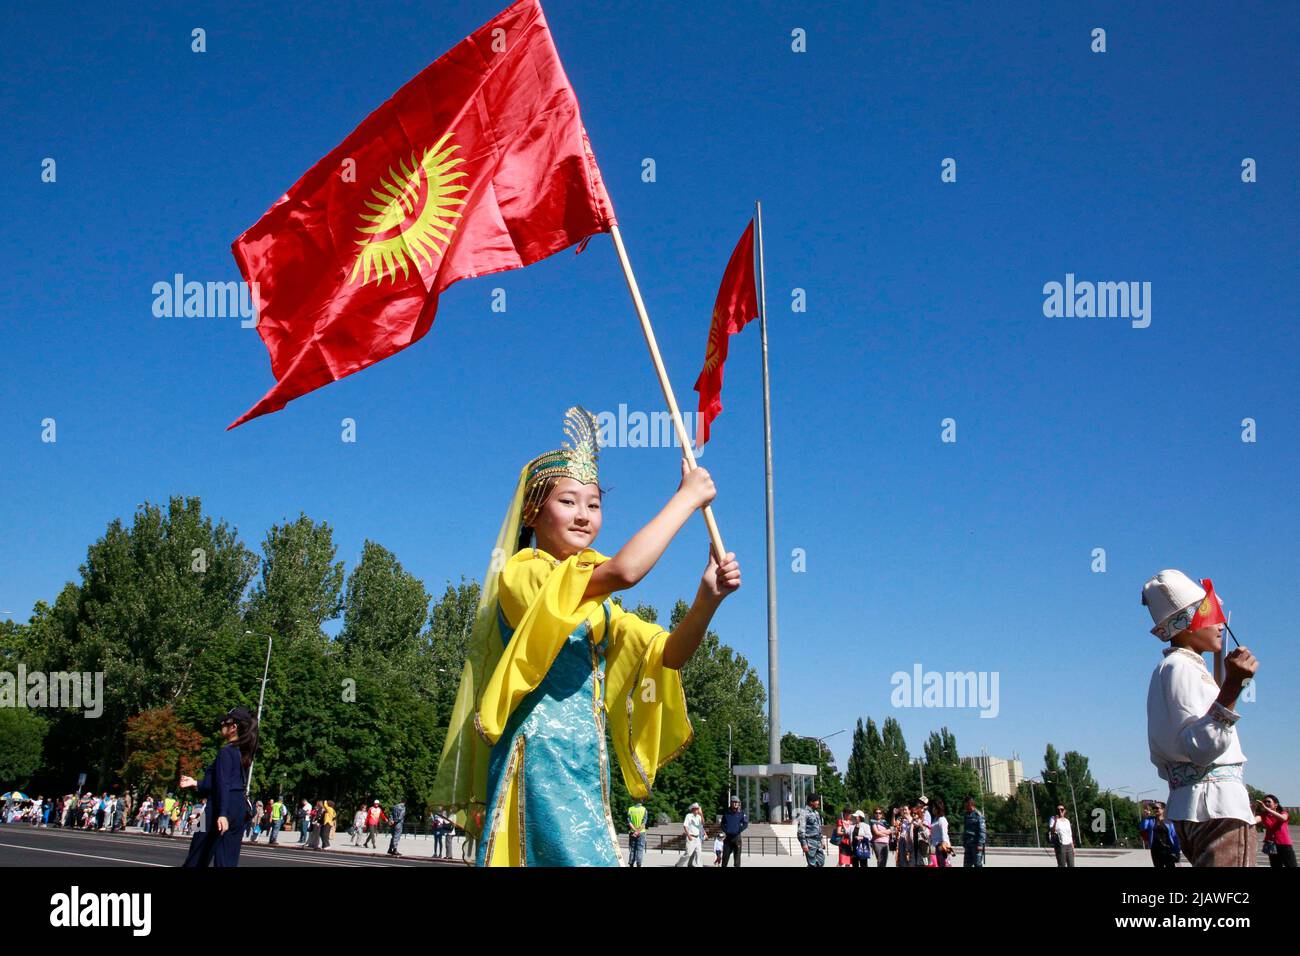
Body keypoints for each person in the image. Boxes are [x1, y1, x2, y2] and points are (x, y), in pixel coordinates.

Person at [431, 407, 741, 866]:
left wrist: (706, 601)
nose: (584, 515)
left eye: (593, 505)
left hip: (585, 764)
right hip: (536, 755)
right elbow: (626, 570)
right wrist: (685, 500)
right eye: (568, 502)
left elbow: (669, 654)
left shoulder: (600, 608)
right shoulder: (523, 574)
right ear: (533, 515)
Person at [1143, 570, 1259, 867]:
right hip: (1218, 808)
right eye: (1212, 615)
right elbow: (1201, 747)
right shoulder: (1182, 668)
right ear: (1188, 625)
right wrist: (1232, 686)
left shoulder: (1172, 668)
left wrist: (1229, 679)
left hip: (1195, 806)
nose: (1220, 625)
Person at [179, 706, 258, 867]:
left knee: (196, 854)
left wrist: (222, 813)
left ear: (234, 727)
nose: (222, 723)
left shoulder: (225, 751)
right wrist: (195, 782)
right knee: (227, 860)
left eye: (225, 721)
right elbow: (221, 781)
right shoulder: (242, 753)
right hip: (238, 807)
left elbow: (223, 784)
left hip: (217, 806)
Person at [1255, 795, 1294, 868]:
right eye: (1265, 802)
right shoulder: (1264, 815)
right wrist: (1252, 809)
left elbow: (1283, 818)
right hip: (1271, 845)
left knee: (1291, 865)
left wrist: (1266, 809)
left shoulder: (1283, 813)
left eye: (1268, 801)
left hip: (1284, 844)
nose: (1266, 803)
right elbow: (1253, 820)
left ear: (1276, 804)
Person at [1140, 801, 1181, 868]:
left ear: (1163, 809)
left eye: (1157, 808)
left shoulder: (1169, 821)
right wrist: (1145, 817)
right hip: (1155, 850)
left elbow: (1175, 837)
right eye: (1153, 808)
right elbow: (1143, 827)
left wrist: (1177, 851)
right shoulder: (1151, 820)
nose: (1155, 809)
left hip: (1168, 850)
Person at [797, 793, 824, 867]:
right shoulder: (804, 813)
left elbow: (819, 828)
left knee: (821, 862)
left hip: (817, 841)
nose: (818, 803)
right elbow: (801, 830)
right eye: (817, 801)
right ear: (811, 802)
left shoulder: (816, 813)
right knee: (812, 864)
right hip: (810, 841)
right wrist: (804, 844)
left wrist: (822, 841)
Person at [720, 797, 747, 868]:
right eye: (734, 802)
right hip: (728, 838)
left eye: (737, 802)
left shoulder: (741, 813)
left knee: (737, 858)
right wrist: (726, 830)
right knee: (725, 857)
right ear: (731, 803)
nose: (736, 803)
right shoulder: (726, 813)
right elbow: (722, 823)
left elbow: (745, 824)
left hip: (737, 838)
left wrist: (739, 830)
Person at [676, 802, 705, 867]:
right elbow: (685, 826)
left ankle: (699, 866)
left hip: (697, 838)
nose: (697, 810)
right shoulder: (688, 816)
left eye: (698, 809)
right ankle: (678, 865)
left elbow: (703, 823)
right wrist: (688, 835)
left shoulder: (699, 817)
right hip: (691, 837)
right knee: (688, 853)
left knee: (699, 853)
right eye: (696, 809)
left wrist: (701, 814)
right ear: (693, 809)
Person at [962, 796, 985, 867]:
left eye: (966, 805)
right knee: (966, 865)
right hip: (968, 844)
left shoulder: (978, 815)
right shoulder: (966, 815)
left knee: (977, 864)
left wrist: (980, 844)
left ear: (970, 804)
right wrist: (964, 841)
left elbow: (982, 830)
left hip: (976, 845)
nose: (965, 807)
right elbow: (965, 829)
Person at [930, 798, 952, 867]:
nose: (932, 809)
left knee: (944, 864)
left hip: (943, 846)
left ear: (938, 808)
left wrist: (945, 848)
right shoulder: (935, 819)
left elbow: (944, 834)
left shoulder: (942, 819)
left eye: (934, 807)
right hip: (937, 846)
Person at [626, 800, 648, 867]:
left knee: (632, 849)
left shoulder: (630, 809)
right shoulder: (644, 810)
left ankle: (631, 864)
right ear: (642, 801)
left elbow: (629, 822)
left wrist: (635, 830)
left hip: (632, 832)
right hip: (641, 832)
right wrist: (638, 831)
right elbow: (644, 822)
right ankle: (639, 864)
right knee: (640, 849)